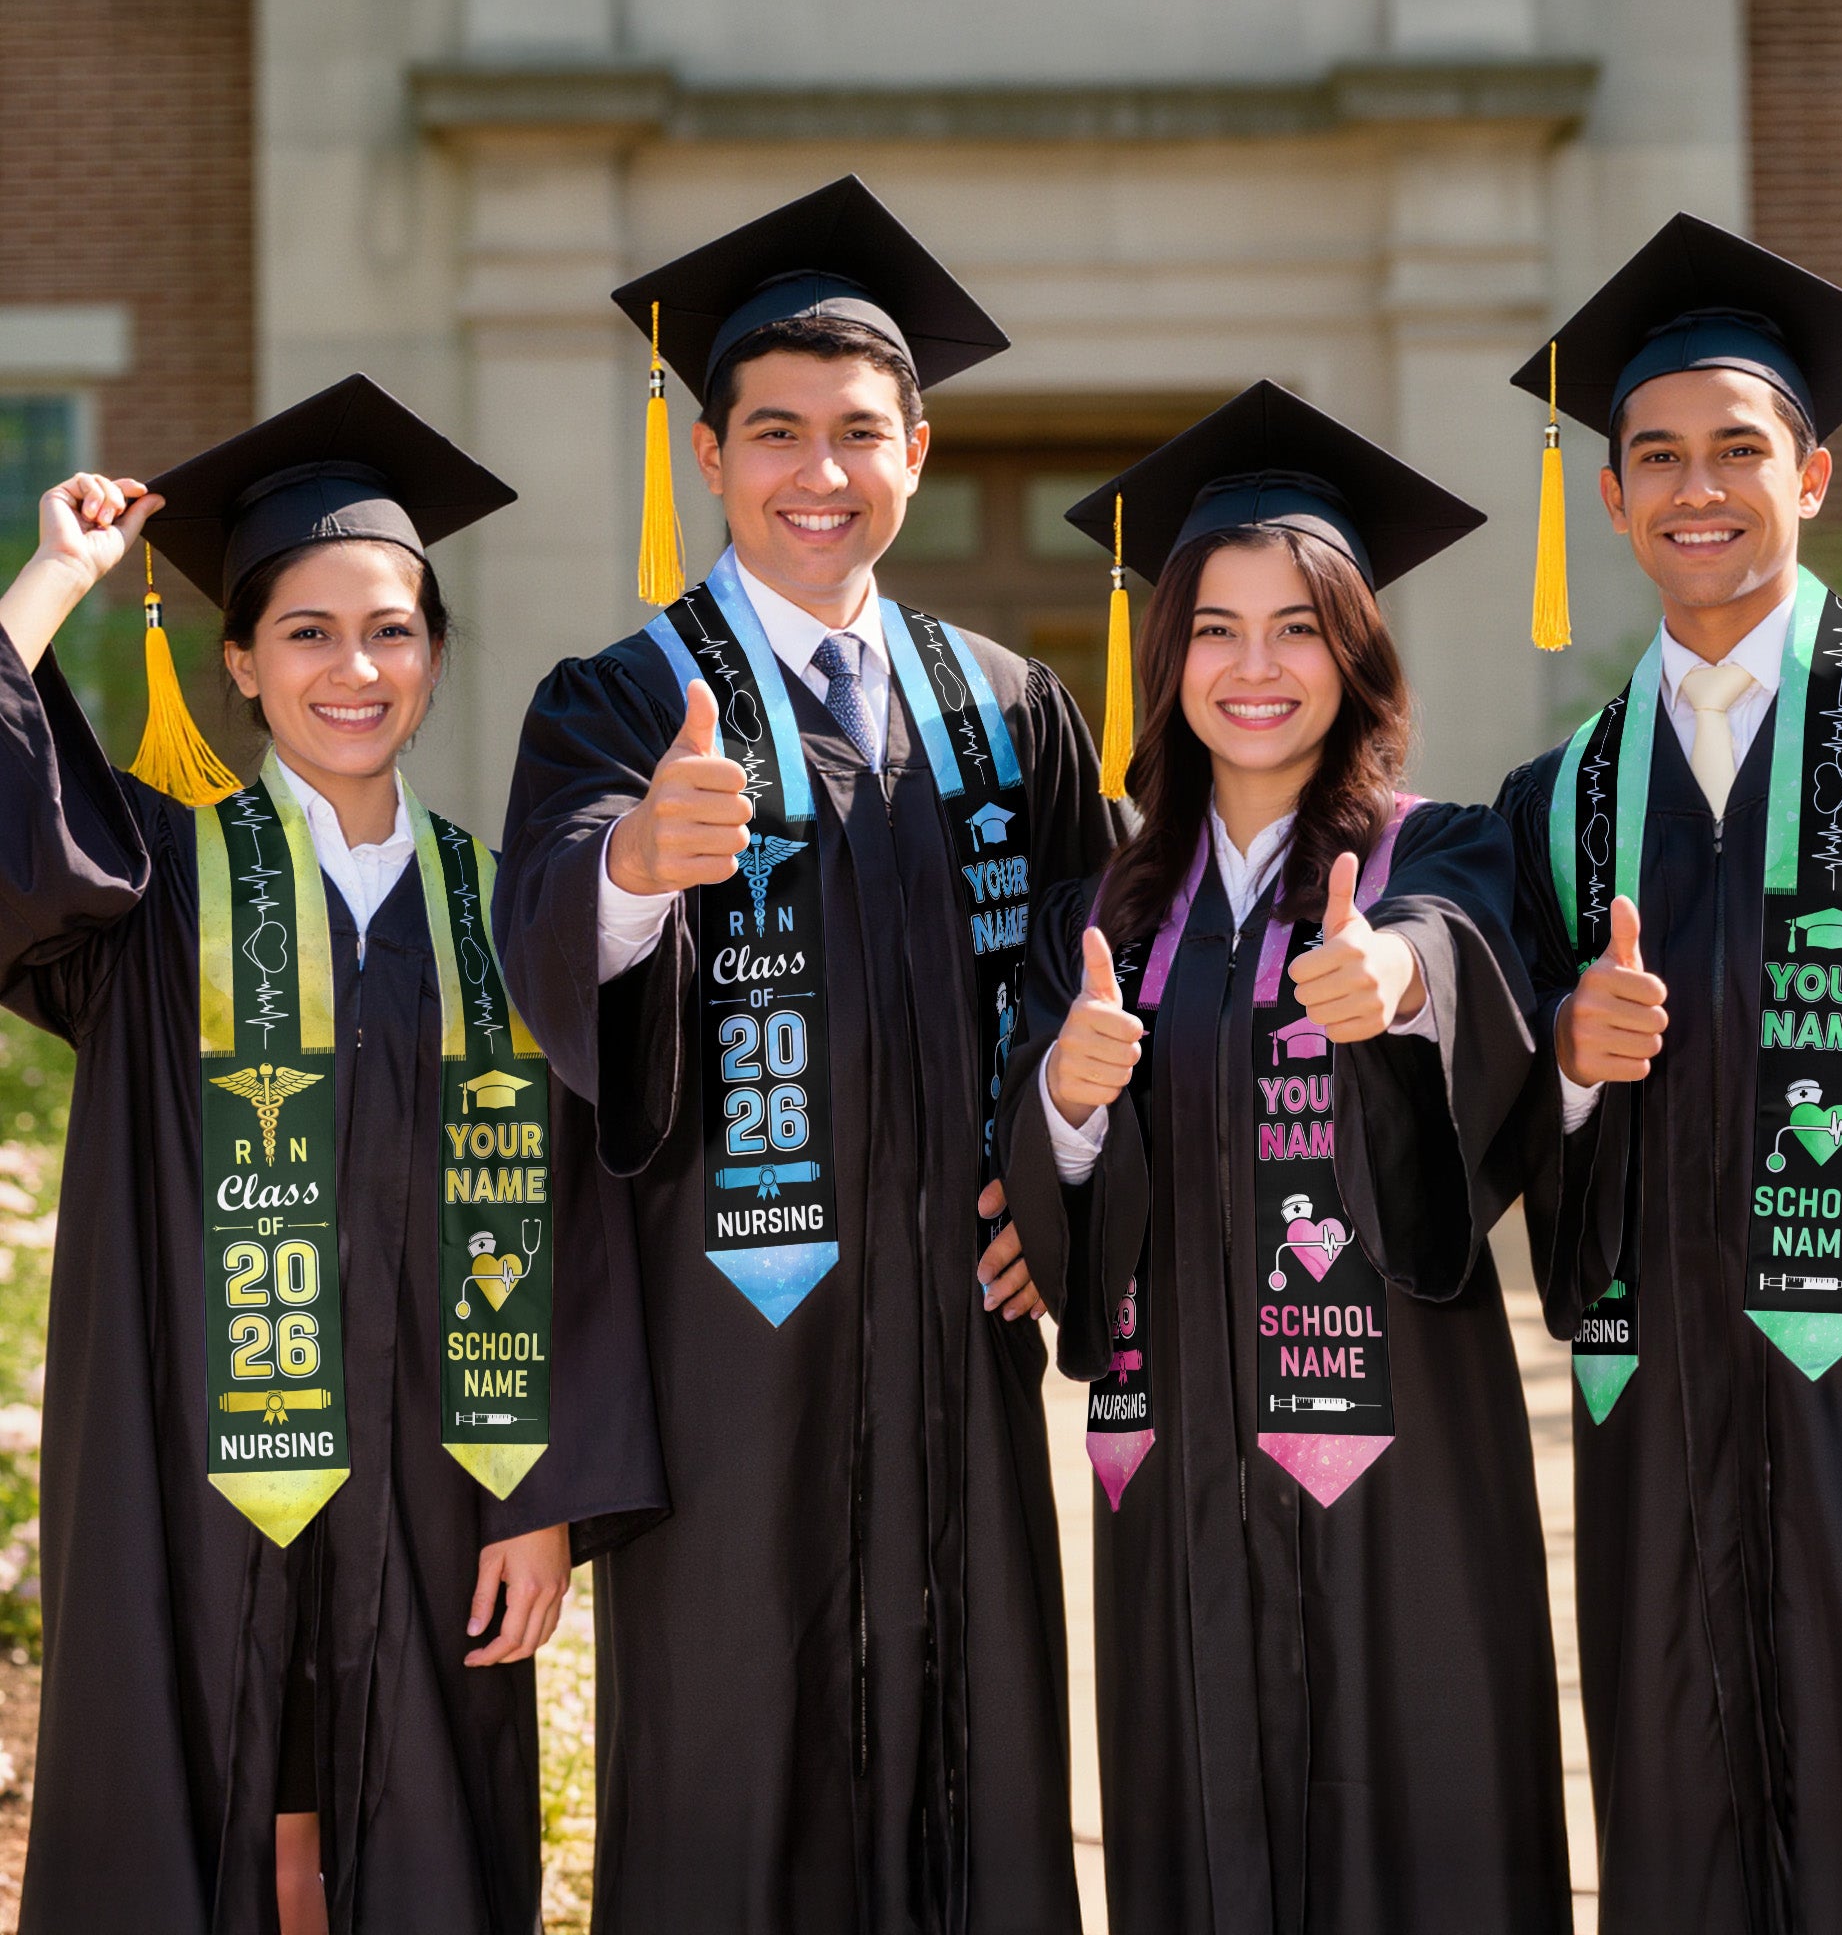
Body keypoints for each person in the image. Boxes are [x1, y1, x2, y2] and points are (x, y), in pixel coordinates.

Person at [494, 176, 1121, 1933]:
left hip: (957, 1339)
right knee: (735, 1762)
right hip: (729, 1343)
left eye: (858, 432)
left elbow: (1101, 975)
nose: (818, 472)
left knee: (973, 1748)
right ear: (709, 456)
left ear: (917, 450)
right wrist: (635, 865)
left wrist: (1058, 1190)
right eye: (775, 433)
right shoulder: (622, 699)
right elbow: (548, 930)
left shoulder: (1006, 706)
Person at [0, 375, 664, 1935]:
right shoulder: (153, 887)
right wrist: (55, 579)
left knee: (418, 1833)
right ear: (239, 661)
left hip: (440, 1486)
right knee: (200, 1807)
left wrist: (543, 1498)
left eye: (391, 631)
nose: (353, 669)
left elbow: (579, 1227)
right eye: (306, 632)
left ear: (433, 653)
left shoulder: (505, 911)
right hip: (186, 1471)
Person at [996, 381, 1570, 1933]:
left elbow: (1459, 958)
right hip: (1176, 1464)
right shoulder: (1100, 915)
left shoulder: (1439, 850)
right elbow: (1048, 1192)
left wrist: (1397, 982)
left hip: (1399, 1467)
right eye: (1216, 629)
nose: (1256, 668)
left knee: (1420, 1829)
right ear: (1165, 657)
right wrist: (1066, 1099)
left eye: (1299, 628)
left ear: (1356, 652)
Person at [1497, 214, 1842, 1933]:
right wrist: (1565, 1062)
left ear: (1814, 476)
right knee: (1683, 1829)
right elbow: (1493, 1112)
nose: (1695, 488)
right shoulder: (1561, 799)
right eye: (1655, 457)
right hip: (1660, 1414)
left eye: (1737, 450)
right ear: (1612, 496)